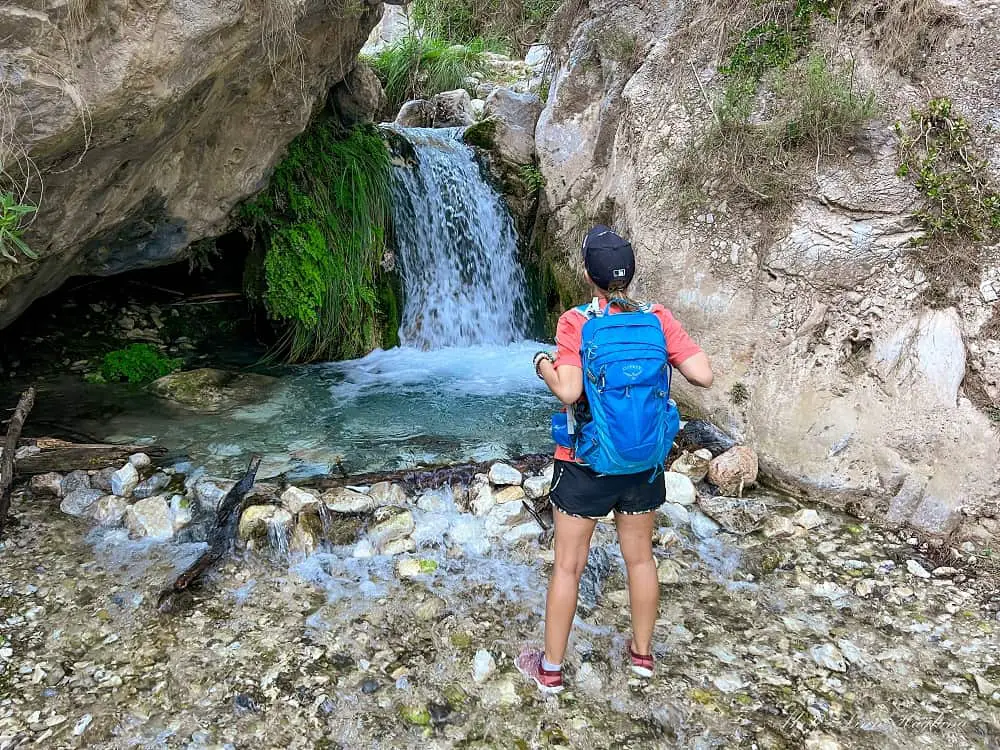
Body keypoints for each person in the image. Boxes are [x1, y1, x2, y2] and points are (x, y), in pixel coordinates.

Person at [516, 225, 714, 694]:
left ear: (588, 274)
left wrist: (541, 363)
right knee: (640, 560)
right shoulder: (657, 318)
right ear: (630, 274)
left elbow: (568, 390)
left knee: (568, 566)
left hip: (585, 462)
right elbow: (702, 375)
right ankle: (642, 657)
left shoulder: (577, 322)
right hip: (643, 462)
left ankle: (550, 670)